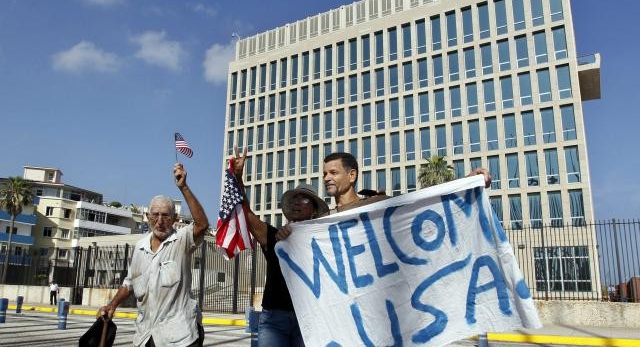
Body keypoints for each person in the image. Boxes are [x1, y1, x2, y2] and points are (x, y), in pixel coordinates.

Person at [96, 163, 210, 347]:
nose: (160, 221)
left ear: (174, 219)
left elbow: (202, 225)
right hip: (145, 337)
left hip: (179, 338)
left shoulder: (181, 240)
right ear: (148, 217)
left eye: (165, 215)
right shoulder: (140, 247)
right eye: (155, 215)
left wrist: (183, 187)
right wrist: (113, 304)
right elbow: (130, 282)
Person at [231, 148, 329, 347]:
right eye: (294, 199)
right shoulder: (275, 236)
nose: (296, 203)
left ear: (314, 210)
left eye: (303, 199)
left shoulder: (324, 241)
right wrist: (238, 178)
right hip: (274, 320)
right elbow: (247, 214)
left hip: (308, 319)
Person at [322, 152, 492, 213]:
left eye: (333, 173)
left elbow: (422, 202)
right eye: (324, 174)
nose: (326, 178)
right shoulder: (322, 220)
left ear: (352, 176)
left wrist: (465, 182)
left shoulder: (377, 204)